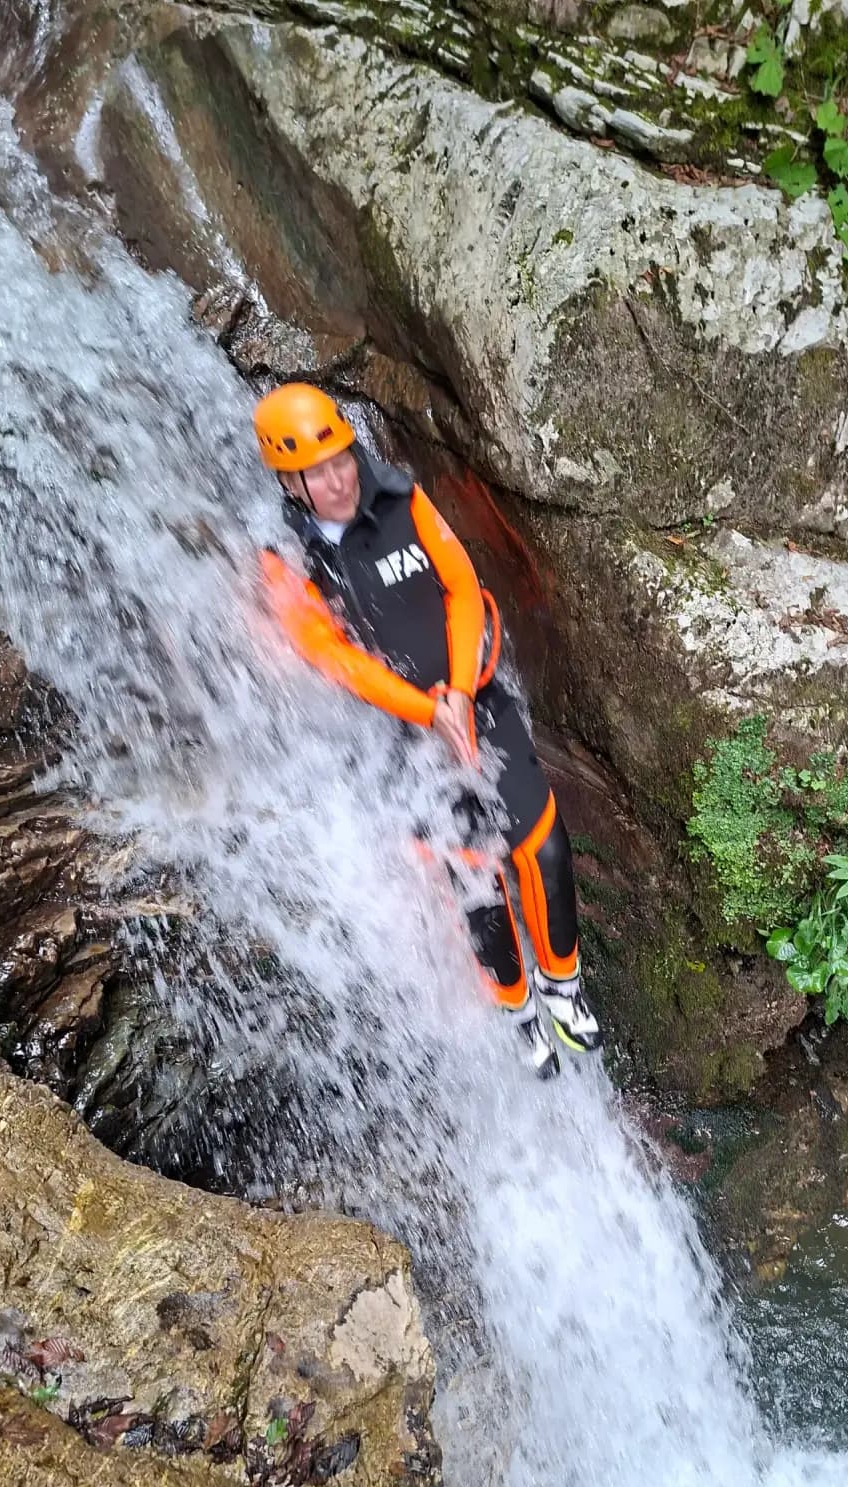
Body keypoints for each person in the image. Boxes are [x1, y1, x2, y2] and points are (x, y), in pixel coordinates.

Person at [253, 383, 601, 1078]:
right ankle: (518, 1008)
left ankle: (562, 986)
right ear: (291, 483)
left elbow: (462, 587)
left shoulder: (400, 498)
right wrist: (426, 711)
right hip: (400, 741)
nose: (339, 480)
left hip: (476, 697)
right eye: (318, 472)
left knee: (545, 846)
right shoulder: (286, 558)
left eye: (342, 459)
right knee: (475, 880)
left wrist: (462, 693)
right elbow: (331, 656)